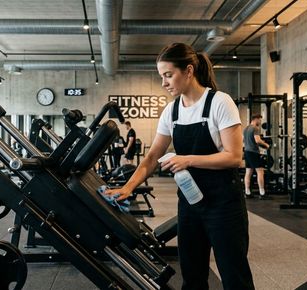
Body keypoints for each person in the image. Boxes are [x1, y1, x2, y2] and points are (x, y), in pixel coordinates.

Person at [106, 43, 254, 290]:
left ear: (188, 71)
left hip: (224, 203)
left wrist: (187, 159)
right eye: (161, 76)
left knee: (233, 274)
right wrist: (128, 187)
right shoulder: (172, 111)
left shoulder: (219, 102)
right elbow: (153, 156)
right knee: (192, 275)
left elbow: (234, 157)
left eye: (168, 74)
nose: (164, 82)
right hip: (190, 202)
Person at [243, 114, 270, 199]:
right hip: (254, 152)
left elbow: (243, 141)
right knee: (260, 171)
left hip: (247, 152)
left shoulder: (246, 129)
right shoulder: (255, 128)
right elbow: (257, 140)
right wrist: (266, 145)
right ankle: (262, 193)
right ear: (256, 119)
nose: (260, 122)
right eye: (260, 120)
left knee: (248, 172)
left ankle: (247, 192)